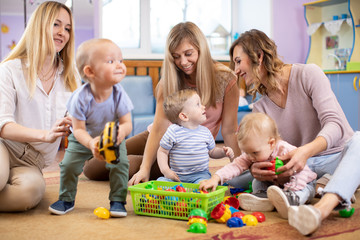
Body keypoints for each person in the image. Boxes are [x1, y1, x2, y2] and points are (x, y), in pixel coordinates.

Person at [229, 29, 360, 235]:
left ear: (259, 56)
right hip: (300, 167)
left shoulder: (308, 73)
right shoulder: (260, 107)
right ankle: (328, 185)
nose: (236, 70)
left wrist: (305, 152)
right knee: (235, 180)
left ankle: (320, 209)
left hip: (335, 157)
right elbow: (273, 149)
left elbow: (335, 124)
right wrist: (261, 169)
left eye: (238, 61)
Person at [82, 21, 243, 185]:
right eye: (176, 56)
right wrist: (145, 168)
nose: (183, 62)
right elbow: (159, 129)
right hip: (157, 137)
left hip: (182, 155)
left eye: (188, 54)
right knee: (92, 167)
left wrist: (238, 169)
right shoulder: (169, 82)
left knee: (129, 166)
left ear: (201, 49)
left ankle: (141, 163)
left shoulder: (226, 79)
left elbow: (230, 130)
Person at [0, 1, 79, 212]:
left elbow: (79, 122)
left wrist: (81, 125)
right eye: (56, 24)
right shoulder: (9, 70)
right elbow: (3, 125)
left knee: (31, 191)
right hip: (5, 145)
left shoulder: (72, 77)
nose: (63, 33)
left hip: (32, 161)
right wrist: (46, 134)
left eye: (68, 28)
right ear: (39, 25)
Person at [48, 38, 133, 217]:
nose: (119, 65)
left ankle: (118, 200)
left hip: (112, 138)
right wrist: (90, 143)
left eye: (121, 60)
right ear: (90, 71)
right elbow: (78, 129)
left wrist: (120, 134)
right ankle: (66, 199)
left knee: (121, 164)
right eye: (111, 61)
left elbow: (127, 124)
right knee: (68, 165)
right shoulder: (80, 97)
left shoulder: (119, 94)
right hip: (82, 138)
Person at [200, 112, 317, 218]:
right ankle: (262, 197)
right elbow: (235, 166)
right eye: (246, 152)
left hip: (301, 183)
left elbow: (303, 171)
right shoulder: (252, 153)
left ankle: (293, 199)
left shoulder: (286, 150)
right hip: (275, 185)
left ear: (271, 143)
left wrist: (292, 189)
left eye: (255, 153)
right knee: (256, 181)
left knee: (304, 188)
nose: (250, 157)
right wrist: (216, 178)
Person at [157, 89, 234, 183]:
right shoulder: (173, 131)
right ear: (184, 116)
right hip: (176, 176)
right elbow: (162, 152)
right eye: (198, 104)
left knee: (204, 185)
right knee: (161, 182)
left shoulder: (205, 132)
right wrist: (166, 171)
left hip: (200, 175)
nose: (203, 107)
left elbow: (212, 151)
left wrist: (223, 152)